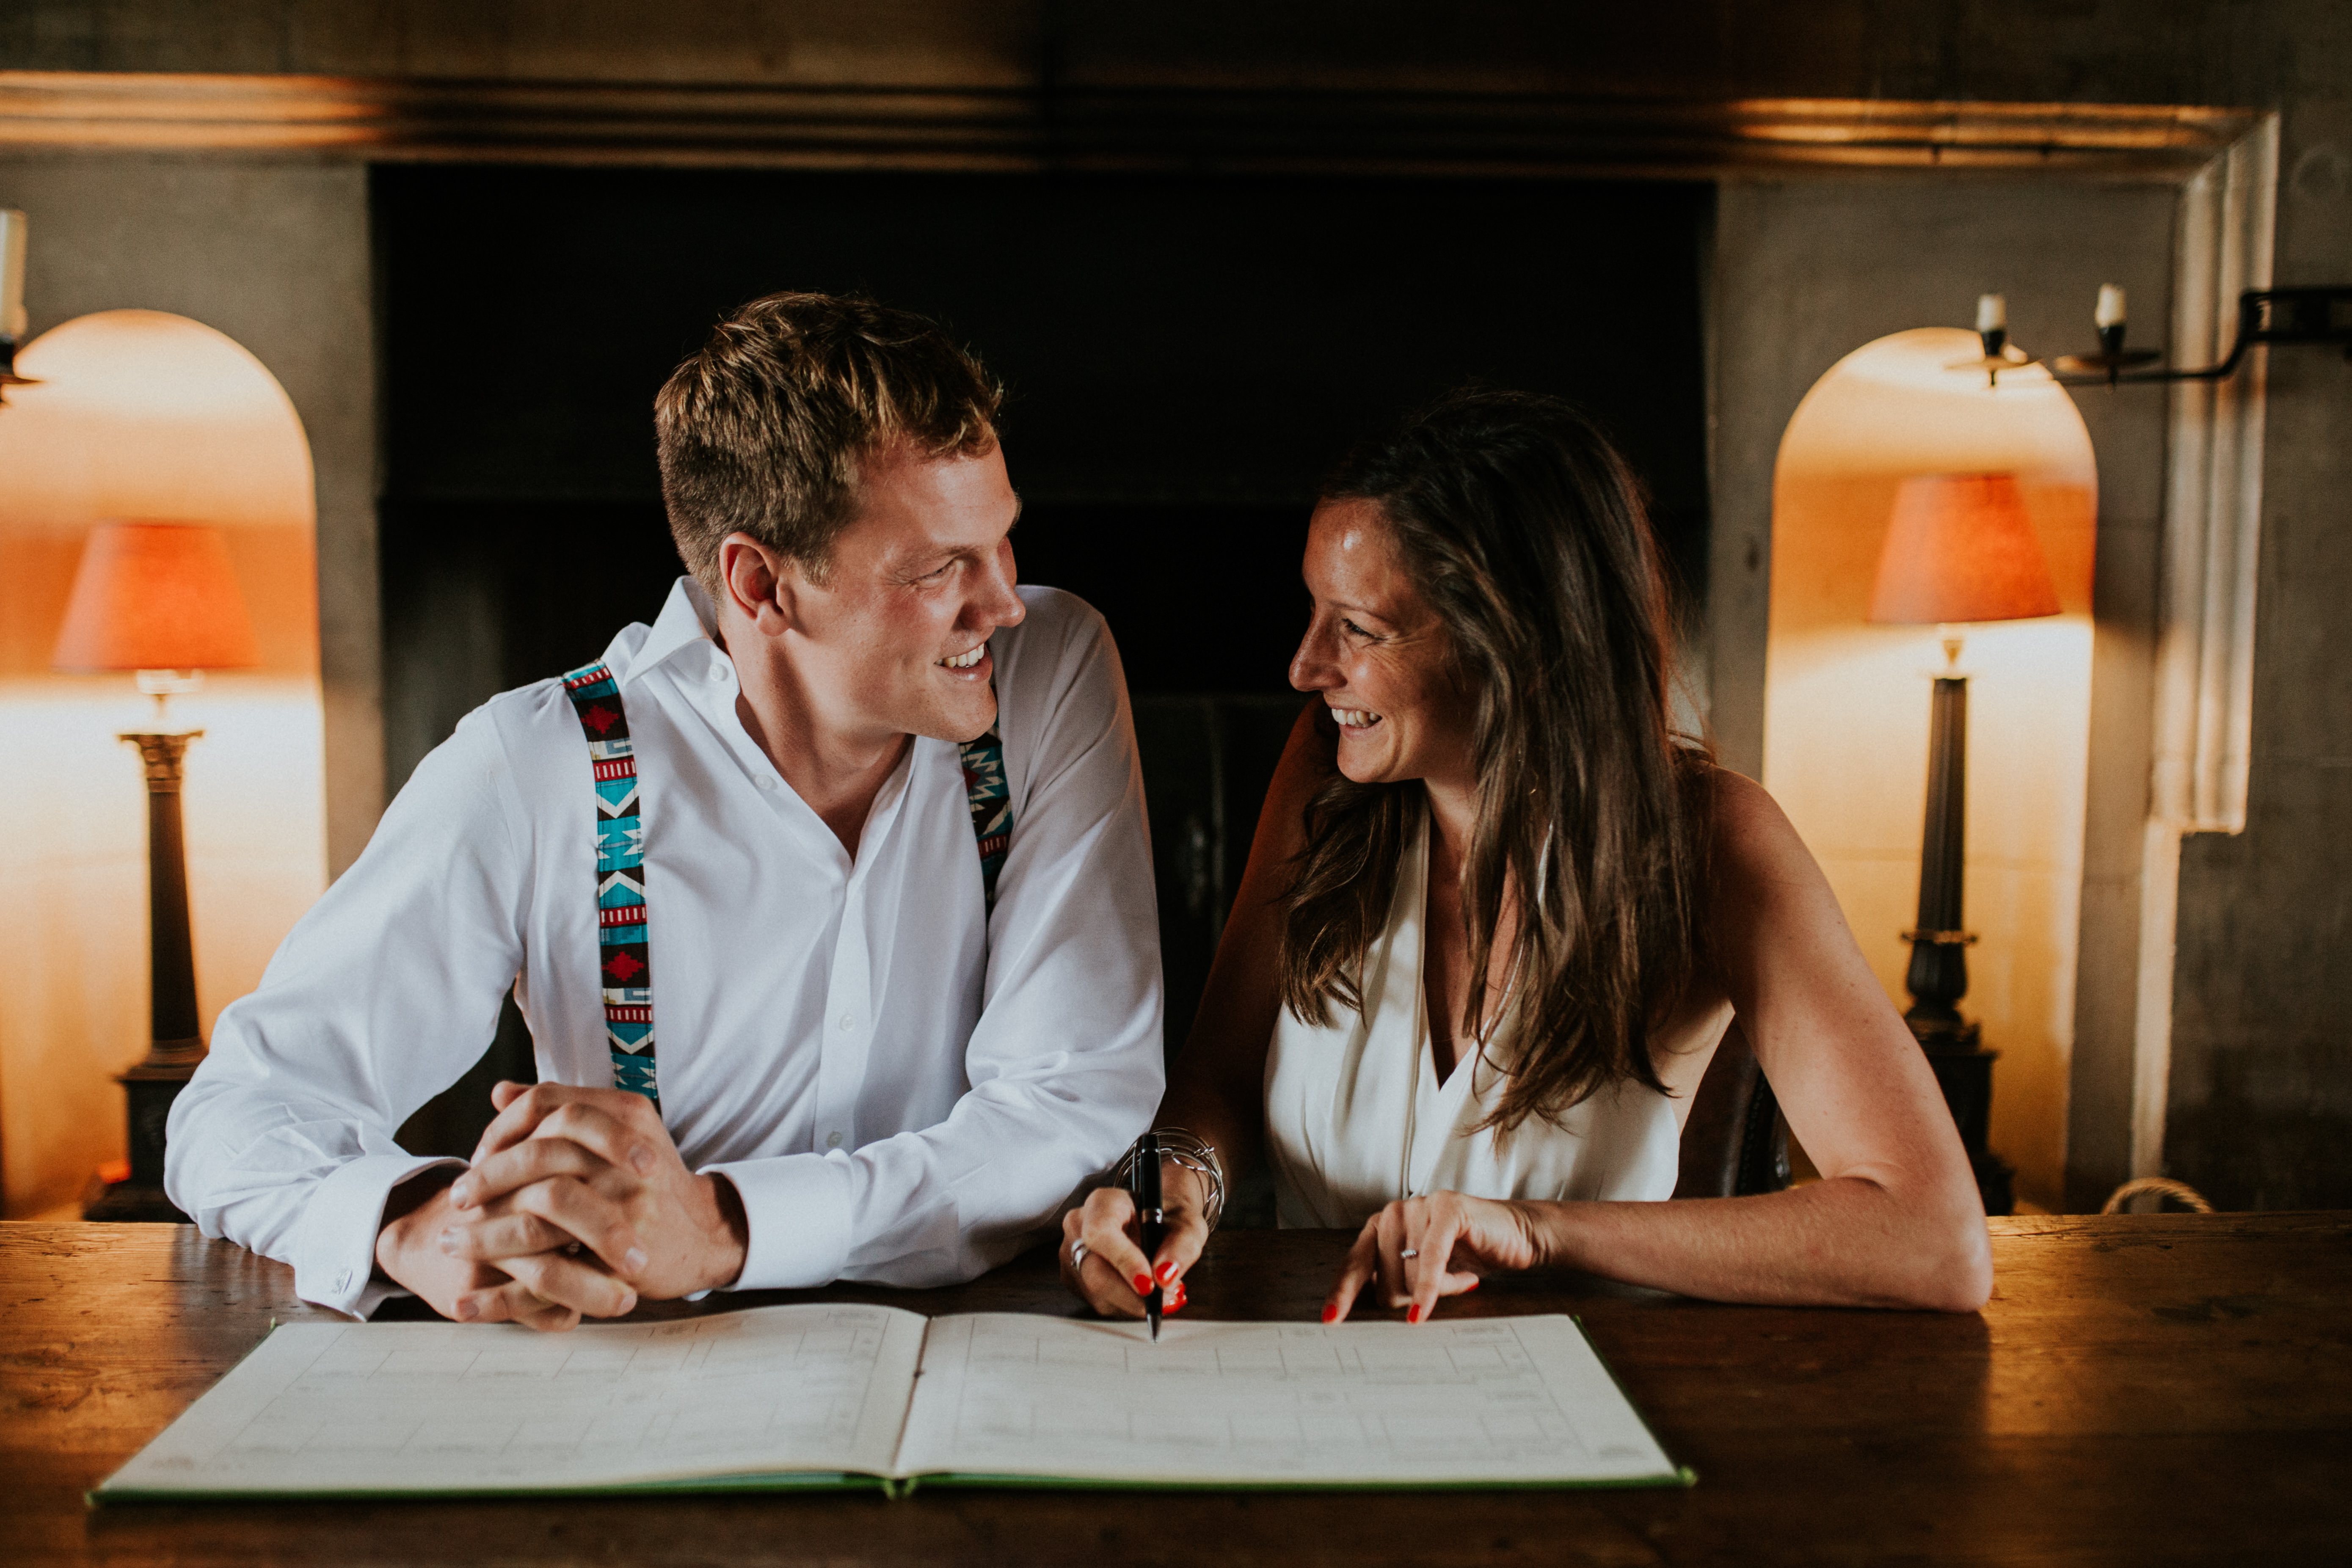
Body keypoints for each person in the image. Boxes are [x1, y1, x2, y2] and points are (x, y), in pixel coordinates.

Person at [168, 292, 1163, 1330]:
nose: (1002, 600)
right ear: (759, 583)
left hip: (986, 1352)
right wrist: (411, 1214)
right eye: (936, 567)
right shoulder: (538, 764)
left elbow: (1070, 1102)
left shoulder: (1048, 674)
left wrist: (727, 1225)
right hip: (640, 1365)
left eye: (1003, 541)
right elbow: (237, 1111)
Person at [1062, 389, 1991, 1325]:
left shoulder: (1710, 840)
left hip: (1572, 1391)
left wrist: (1541, 1231)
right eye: (1314, 611)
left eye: (1360, 629)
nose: (1306, 666)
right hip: (1310, 1363)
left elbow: (1932, 1236)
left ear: (1517, 644)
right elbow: (1213, 1080)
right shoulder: (1325, 774)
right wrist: (1172, 1182)